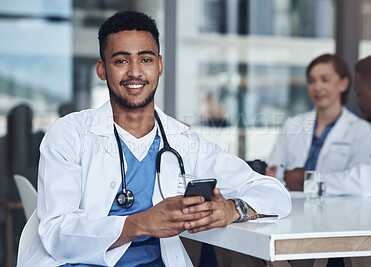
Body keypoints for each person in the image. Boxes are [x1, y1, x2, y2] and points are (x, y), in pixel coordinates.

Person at [18, 11, 291, 267]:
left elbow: (275, 193)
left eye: (146, 59)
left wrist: (234, 209)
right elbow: (56, 232)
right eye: (121, 60)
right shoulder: (70, 134)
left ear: (159, 66)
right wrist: (139, 224)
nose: (135, 72)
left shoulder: (182, 141)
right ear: (102, 70)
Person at [285, 52, 371, 197]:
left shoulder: (362, 128)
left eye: (359, 94)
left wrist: (309, 181)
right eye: (311, 80)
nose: (357, 100)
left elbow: (367, 183)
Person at [266, 54, 371, 189]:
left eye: (325, 80)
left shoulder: (360, 130)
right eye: (311, 81)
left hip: (338, 207)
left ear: (343, 84)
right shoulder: (293, 124)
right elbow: (273, 172)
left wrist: (307, 182)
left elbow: (359, 181)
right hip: (290, 204)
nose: (317, 87)